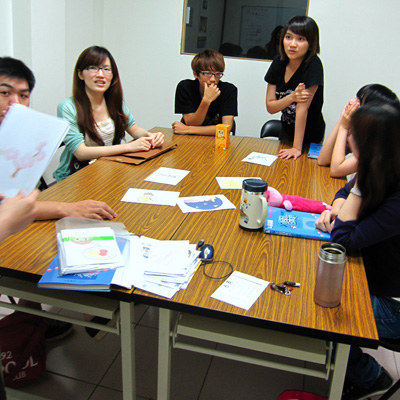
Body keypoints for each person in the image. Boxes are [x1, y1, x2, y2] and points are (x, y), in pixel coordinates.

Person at [316, 102, 400, 399]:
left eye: (353, 133)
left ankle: (370, 376)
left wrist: (357, 190)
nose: (348, 137)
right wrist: (339, 208)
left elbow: (343, 240)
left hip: (393, 306)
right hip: (376, 277)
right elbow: (343, 191)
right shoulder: (383, 167)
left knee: (330, 301)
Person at [54, 46, 164, 182]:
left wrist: (150, 136)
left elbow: (134, 130)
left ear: (112, 75)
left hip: (109, 169)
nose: (101, 74)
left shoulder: (115, 103)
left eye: (106, 69)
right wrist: (128, 147)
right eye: (93, 68)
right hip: (76, 176)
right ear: (80, 74)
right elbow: (81, 153)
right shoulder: (67, 107)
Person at [264, 16, 325, 160]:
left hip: (310, 133)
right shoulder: (279, 61)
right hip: (287, 129)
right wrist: (292, 97)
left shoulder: (313, 65)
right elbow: (271, 107)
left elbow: (302, 109)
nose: (292, 44)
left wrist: (297, 148)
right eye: (288, 37)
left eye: (300, 39)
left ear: (311, 43)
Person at [318, 84, 399, 178]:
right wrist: (341, 120)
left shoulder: (378, 145)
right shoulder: (357, 132)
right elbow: (323, 159)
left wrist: (344, 127)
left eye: (358, 101)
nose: (351, 102)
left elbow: (336, 170)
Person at [172, 49, 238, 136]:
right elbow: (191, 123)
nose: (213, 79)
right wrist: (206, 101)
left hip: (217, 139)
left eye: (217, 74)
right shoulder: (185, 87)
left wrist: (188, 129)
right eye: (207, 73)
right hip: (189, 138)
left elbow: (225, 130)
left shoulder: (229, 90)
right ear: (195, 74)